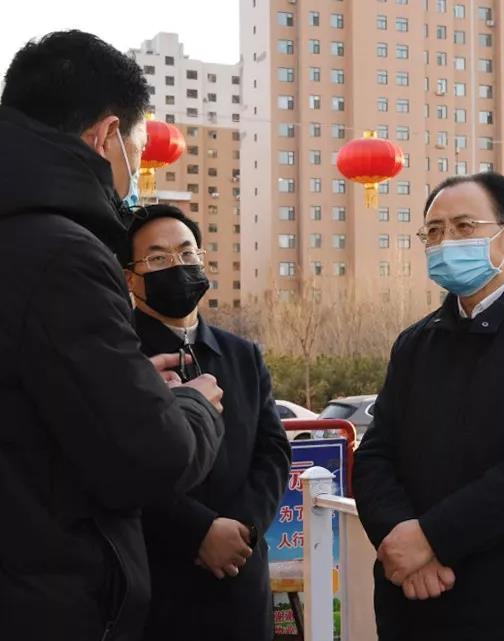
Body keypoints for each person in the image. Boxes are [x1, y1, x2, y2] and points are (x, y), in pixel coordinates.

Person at [0, 31, 225, 641]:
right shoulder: (63, 254)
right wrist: (190, 406)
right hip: (46, 598)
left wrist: (125, 389)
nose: (136, 172)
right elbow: (149, 459)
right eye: (138, 151)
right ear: (106, 137)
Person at [353, 172, 504, 641]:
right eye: (434, 231)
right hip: (414, 599)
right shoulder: (415, 343)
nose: (446, 241)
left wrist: (431, 538)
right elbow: (375, 456)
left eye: (464, 227)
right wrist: (400, 539)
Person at [119, 205, 292, 641]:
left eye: (187, 253)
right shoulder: (118, 356)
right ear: (129, 278)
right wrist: (199, 531)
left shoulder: (242, 354)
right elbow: (118, 462)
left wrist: (242, 528)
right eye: (157, 258)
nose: (176, 266)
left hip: (241, 581)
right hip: (157, 583)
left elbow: (272, 452)